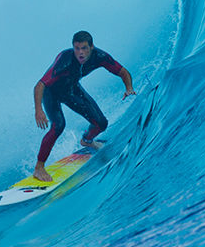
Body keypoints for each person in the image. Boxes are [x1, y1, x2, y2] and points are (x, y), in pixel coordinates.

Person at [32, 31, 136, 182]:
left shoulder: (99, 57)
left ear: (92, 47)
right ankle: (39, 168)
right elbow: (40, 85)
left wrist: (128, 88)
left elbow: (122, 72)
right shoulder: (64, 60)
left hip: (72, 90)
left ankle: (87, 141)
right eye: (77, 48)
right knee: (59, 125)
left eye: (84, 48)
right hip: (51, 93)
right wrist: (38, 110)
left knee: (101, 123)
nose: (80, 53)